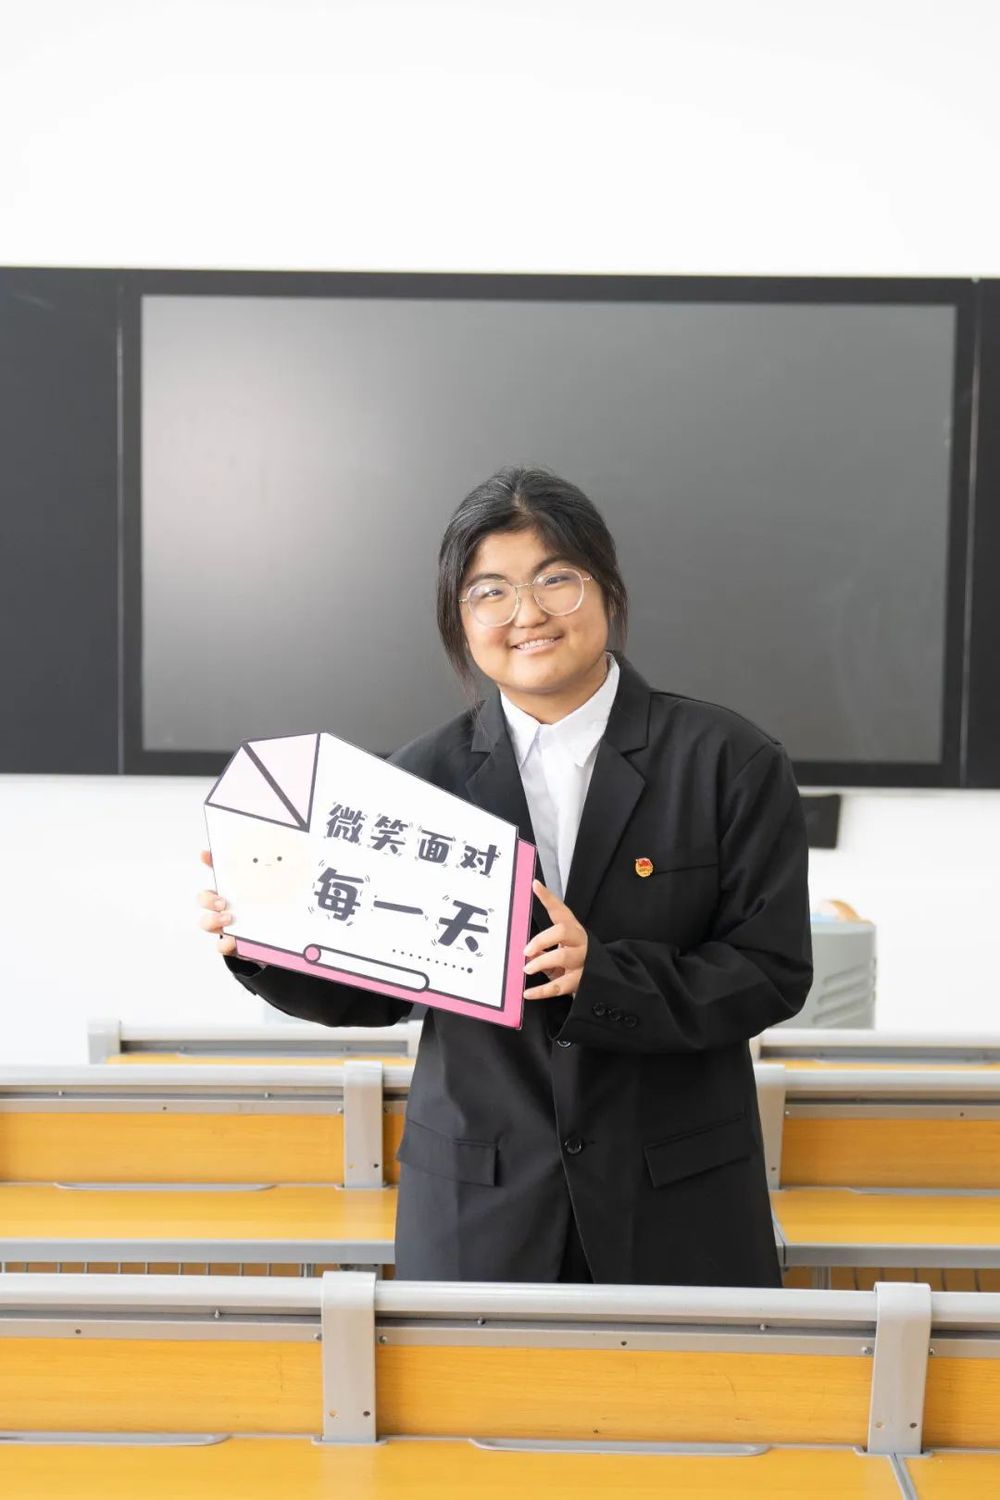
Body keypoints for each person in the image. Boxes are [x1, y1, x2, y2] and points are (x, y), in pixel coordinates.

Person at [198, 466, 812, 1286]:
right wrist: (262, 938)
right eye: (490, 592)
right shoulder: (414, 782)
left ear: (606, 588)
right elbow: (371, 994)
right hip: (480, 1208)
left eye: (555, 579)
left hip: (676, 1203)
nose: (526, 614)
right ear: (460, 619)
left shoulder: (730, 761)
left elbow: (771, 973)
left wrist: (606, 977)